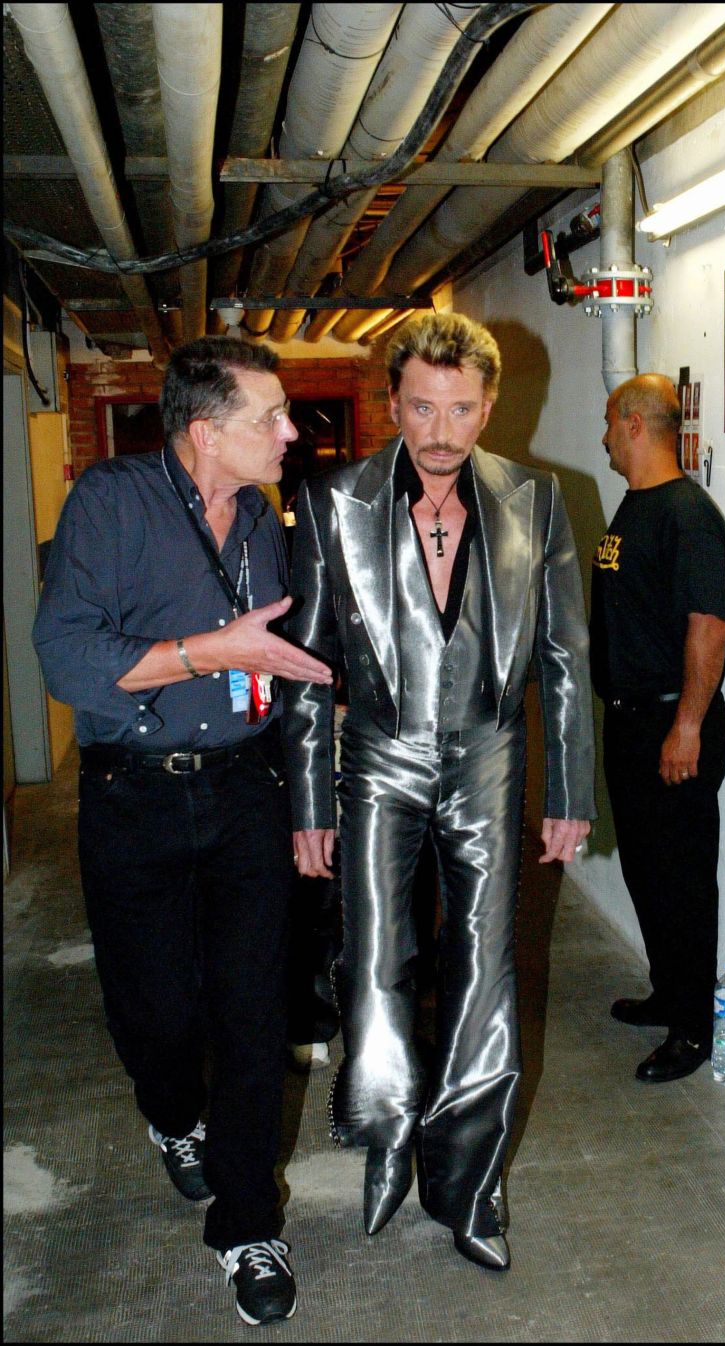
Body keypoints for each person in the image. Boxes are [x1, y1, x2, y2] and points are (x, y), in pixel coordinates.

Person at [283, 311, 595, 1271]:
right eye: (422, 406)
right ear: (392, 403)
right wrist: (309, 802)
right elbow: (304, 666)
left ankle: (470, 1183)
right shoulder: (334, 501)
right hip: (377, 756)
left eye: (461, 408)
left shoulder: (537, 501)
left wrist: (570, 789)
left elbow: (566, 658)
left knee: (485, 977)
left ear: (489, 406)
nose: (442, 430)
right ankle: (386, 1141)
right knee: (373, 963)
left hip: (490, 756)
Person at [32, 336, 332, 1326]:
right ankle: (170, 1115)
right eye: (268, 418)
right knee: (157, 1016)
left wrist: (305, 803)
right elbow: (67, 658)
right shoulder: (110, 506)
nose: (290, 432)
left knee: (252, 1018)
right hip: (135, 799)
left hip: (244, 792)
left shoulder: (258, 518)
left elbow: (277, 670)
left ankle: (247, 1224)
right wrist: (213, 649)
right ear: (205, 432)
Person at [590, 374, 725, 1084]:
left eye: (611, 423)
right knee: (646, 871)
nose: (605, 436)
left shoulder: (687, 513)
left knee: (682, 879)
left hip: (673, 725)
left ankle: (694, 1030)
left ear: (635, 423)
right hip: (631, 722)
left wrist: (687, 725)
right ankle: (668, 994)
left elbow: (708, 624)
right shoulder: (635, 506)